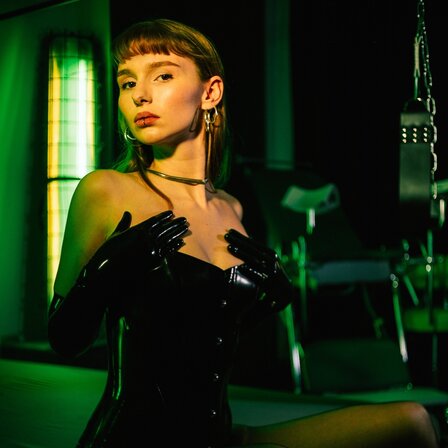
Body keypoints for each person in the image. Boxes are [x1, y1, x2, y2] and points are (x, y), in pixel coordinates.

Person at [47, 18, 441, 448]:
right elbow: (64, 341)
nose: (139, 94)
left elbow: (202, 332)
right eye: (127, 83)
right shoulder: (105, 190)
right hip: (133, 440)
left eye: (162, 76)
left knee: (414, 421)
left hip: (219, 437)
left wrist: (271, 298)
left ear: (210, 92)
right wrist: (105, 273)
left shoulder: (231, 208)